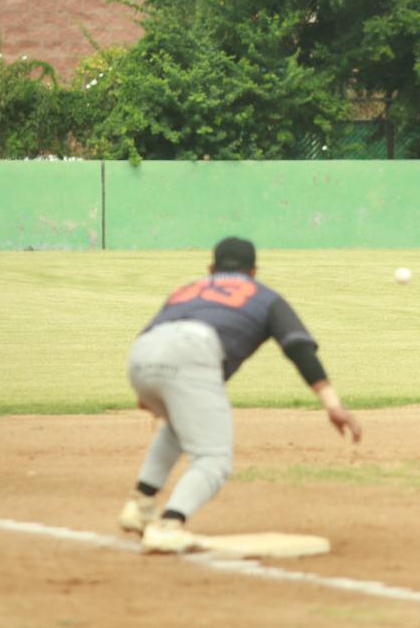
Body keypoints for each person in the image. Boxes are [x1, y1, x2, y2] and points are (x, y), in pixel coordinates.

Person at [117, 236, 362, 553]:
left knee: (180, 425)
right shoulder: (264, 297)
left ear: (210, 268)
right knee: (213, 460)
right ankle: (169, 525)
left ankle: (140, 507)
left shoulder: (187, 290)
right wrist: (332, 404)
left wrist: (150, 390)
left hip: (142, 354)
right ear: (254, 271)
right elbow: (298, 347)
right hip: (193, 353)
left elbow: (153, 335)